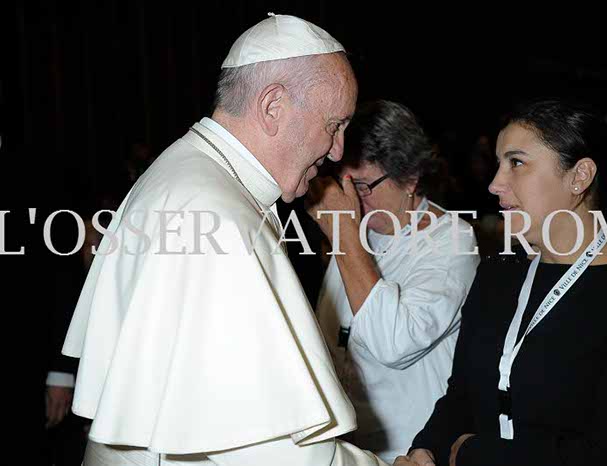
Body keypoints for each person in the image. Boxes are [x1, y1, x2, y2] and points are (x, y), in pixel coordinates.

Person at [61, 13, 387, 466]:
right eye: (334, 125)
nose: (337, 151)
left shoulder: (184, 171)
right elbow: (268, 448)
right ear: (273, 106)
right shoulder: (217, 214)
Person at [396, 99, 607, 466]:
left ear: (579, 177)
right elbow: (462, 394)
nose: (494, 184)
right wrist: (427, 447)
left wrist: (475, 454)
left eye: (516, 163)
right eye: (498, 163)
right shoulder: (498, 273)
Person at [307, 100, 480, 463]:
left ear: (411, 178)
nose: (351, 199)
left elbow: (394, 345)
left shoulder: (451, 242)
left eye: (364, 186)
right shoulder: (359, 230)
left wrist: (344, 235)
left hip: (410, 448)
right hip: (347, 445)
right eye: (344, 184)